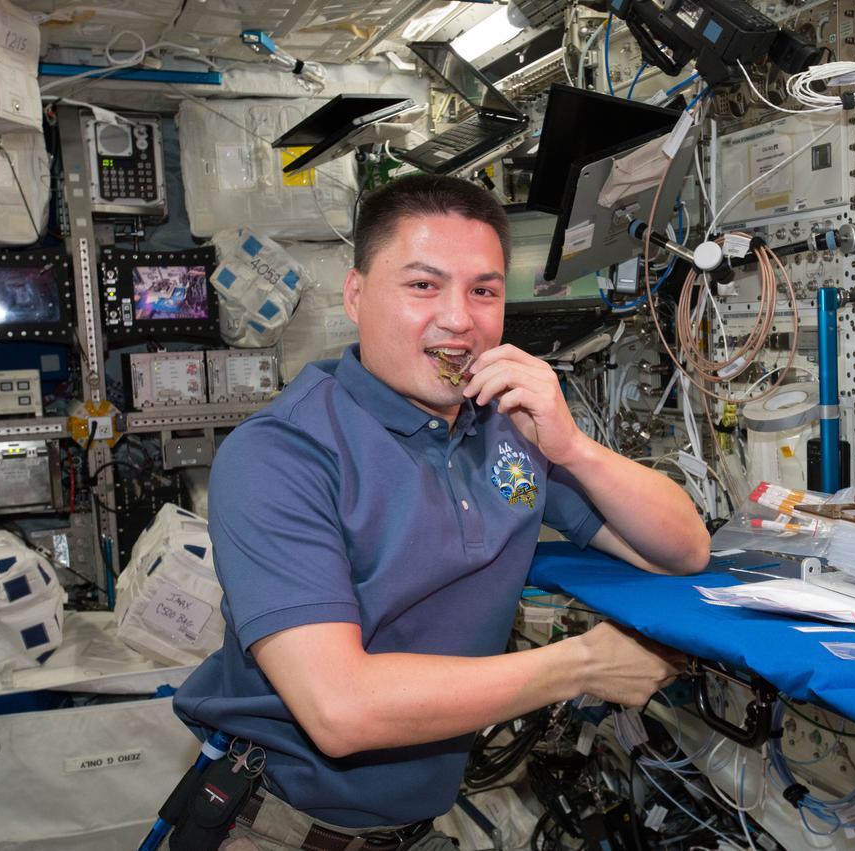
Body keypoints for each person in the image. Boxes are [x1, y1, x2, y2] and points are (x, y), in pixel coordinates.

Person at [172, 174, 710, 851]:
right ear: (356, 294)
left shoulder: (508, 431)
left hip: (413, 828)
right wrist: (578, 666)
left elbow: (681, 547)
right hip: (278, 827)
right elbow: (340, 707)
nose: (459, 318)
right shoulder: (281, 455)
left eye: (483, 290)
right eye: (423, 285)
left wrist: (571, 446)